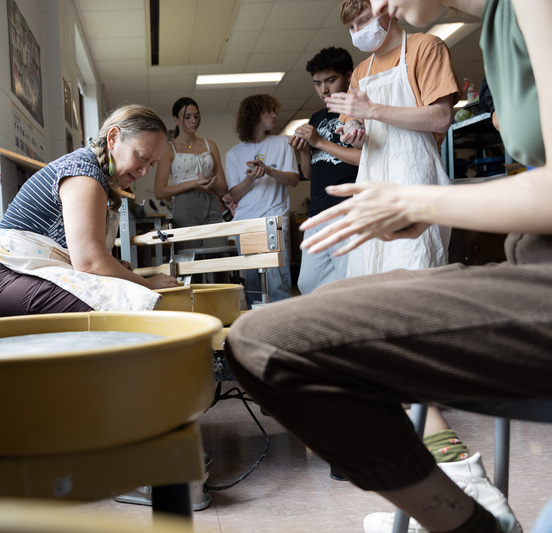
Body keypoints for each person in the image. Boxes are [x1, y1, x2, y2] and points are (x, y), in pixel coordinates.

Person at [225, 0, 548, 532]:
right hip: (411, 205)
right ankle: (453, 497)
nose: (375, 12)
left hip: (429, 201)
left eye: (372, 6)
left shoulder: (469, 30)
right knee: (330, 306)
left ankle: (459, 491)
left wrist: (422, 204)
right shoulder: (495, 26)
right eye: (356, 16)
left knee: (278, 340)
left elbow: (441, 121)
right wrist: (347, 139)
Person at [0, 104, 178, 318]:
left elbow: (87, 257)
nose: (144, 171)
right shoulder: (84, 176)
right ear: (113, 138)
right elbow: (90, 264)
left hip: (18, 280)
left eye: (152, 164)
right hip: (3, 281)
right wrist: (148, 283)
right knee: (125, 305)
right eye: (142, 157)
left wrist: (116, 268)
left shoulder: (96, 177)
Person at [326, 0, 460, 279]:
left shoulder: (426, 47)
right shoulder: (361, 71)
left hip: (415, 176)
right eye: (351, 27)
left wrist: (373, 110)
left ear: (386, 10)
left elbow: (441, 118)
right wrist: (352, 131)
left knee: (416, 264)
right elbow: (357, 126)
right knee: (368, 268)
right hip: (372, 181)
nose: (357, 31)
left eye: (363, 21)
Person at [289, 47, 360, 295]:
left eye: (331, 80)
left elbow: (366, 159)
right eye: (317, 83)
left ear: (349, 76)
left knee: (349, 282)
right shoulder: (316, 117)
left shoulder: (360, 111)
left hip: (348, 209)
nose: (323, 89)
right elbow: (308, 174)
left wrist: (319, 142)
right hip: (318, 211)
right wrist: (304, 149)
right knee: (307, 284)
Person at [225, 94, 300, 305]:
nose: (275, 115)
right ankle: (256, 332)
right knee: (253, 286)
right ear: (255, 116)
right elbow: (234, 195)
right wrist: (250, 179)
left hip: (274, 221)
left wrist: (268, 171)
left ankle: (282, 332)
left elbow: (293, 179)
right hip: (247, 224)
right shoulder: (234, 154)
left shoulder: (283, 143)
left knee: (277, 284)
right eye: (268, 111)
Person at [154, 97, 228, 254]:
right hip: (185, 206)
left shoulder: (210, 145)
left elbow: (223, 187)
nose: (193, 121)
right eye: (187, 117)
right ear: (176, 119)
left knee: (218, 256)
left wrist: (210, 184)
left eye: (196, 116)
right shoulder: (168, 148)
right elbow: (159, 191)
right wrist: (194, 183)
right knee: (189, 258)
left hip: (212, 204)